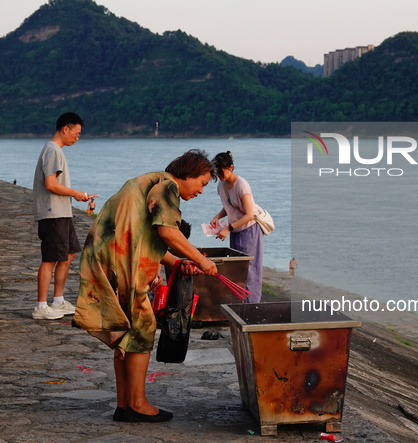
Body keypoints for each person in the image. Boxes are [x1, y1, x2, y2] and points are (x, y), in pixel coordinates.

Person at [73, 149, 219, 423]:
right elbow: (168, 232)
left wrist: (176, 263)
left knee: (124, 332)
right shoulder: (168, 186)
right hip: (121, 264)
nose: (201, 191)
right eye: (201, 183)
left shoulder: (148, 182)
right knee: (142, 327)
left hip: (108, 258)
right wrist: (201, 259)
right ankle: (138, 404)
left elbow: (145, 238)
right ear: (187, 174)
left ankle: (124, 404)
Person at [32, 112, 93, 320]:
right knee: (50, 258)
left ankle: (58, 301)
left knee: (68, 254)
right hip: (52, 213)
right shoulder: (52, 150)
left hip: (61, 212)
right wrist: (76, 193)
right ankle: (41, 306)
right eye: (76, 133)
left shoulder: (56, 151)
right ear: (65, 129)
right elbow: (50, 184)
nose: (77, 137)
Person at [210, 151, 264, 303]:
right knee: (237, 269)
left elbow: (250, 214)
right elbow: (228, 206)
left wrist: (228, 228)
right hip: (235, 230)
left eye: (221, 171)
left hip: (249, 230)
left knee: (250, 270)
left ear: (231, 167)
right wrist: (217, 217)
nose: (219, 175)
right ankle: (240, 304)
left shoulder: (241, 185)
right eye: (217, 172)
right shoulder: (221, 185)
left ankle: (252, 306)